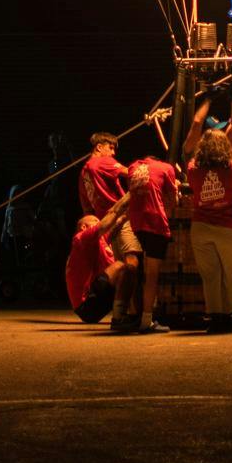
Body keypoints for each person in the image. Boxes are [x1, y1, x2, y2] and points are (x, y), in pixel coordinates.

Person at [184, 128, 232, 333]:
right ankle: (227, 316)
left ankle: (215, 317)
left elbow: (191, 185)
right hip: (229, 227)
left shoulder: (193, 169)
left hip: (201, 225)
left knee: (210, 275)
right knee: (227, 273)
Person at [80, 131, 144, 332]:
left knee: (124, 269)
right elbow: (133, 174)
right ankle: (124, 315)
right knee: (132, 264)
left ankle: (128, 313)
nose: (114, 153)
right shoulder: (102, 163)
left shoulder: (83, 173)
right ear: (99, 147)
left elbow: (87, 211)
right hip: (122, 219)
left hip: (107, 227)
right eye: (111, 147)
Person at [126, 145, 181, 335]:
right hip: (155, 221)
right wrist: (176, 189)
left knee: (144, 270)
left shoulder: (134, 167)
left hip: (137, 223)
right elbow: (173, 200)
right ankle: (147, 320)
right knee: (152, 274)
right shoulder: (166, 168)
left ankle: (139, 314)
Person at [65, 189, 134, 324]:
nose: (99, 222)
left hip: (92, 303)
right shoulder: (81, 239)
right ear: (84, 227)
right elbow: (106, 223)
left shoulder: (98, 241)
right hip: (86, 306)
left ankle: (130, 314)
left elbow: (117, 222)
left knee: (132, 269)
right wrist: (129, 194)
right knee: (122, 266)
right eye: (95, 221)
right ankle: (119, 317)